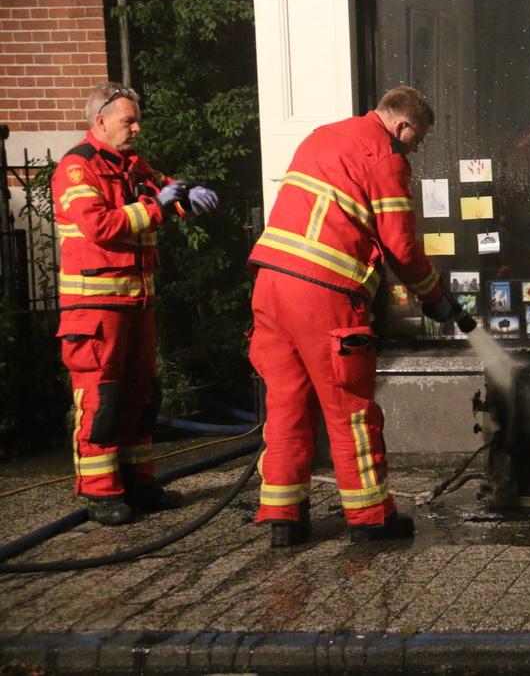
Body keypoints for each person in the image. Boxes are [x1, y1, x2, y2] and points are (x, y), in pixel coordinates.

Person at [247, 87, 465, 546]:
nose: (416, 149)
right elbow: (400, 246)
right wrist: (435, 296)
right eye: (418, 138)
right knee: (349, 407)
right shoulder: (384, 157)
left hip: (269, 286)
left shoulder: (324, 136)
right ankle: (370, 520)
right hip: (324, 295)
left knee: (286, 404)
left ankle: (284, 519)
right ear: (401, 126)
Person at [51, 82, 219, 526]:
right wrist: (159, 206)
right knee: (102, 399)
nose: (137, 128)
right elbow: (101, 226)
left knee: (143, 396)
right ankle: (100, 492)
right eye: (129, 121)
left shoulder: (130, 164)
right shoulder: (77, 168)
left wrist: (187, 193)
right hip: (95, 309)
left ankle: (139, 484)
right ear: (100, 121)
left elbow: (165, 189)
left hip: (135, 303)